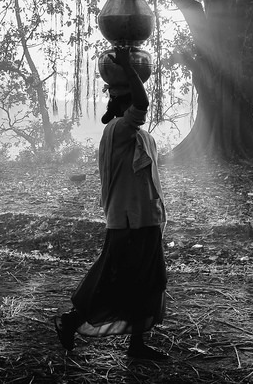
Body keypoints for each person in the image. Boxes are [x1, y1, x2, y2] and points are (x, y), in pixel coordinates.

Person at [54, 46, 168, 361]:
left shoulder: (139, 136)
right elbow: (144, 102)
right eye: (132, 99)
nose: (139, 105)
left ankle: (136, 345)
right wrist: (129, 69)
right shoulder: (118, 130)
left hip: (144, 220)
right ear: (125, 104)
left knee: (147, 281)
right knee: (112, 280)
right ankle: (71, 320)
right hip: (129, 222)